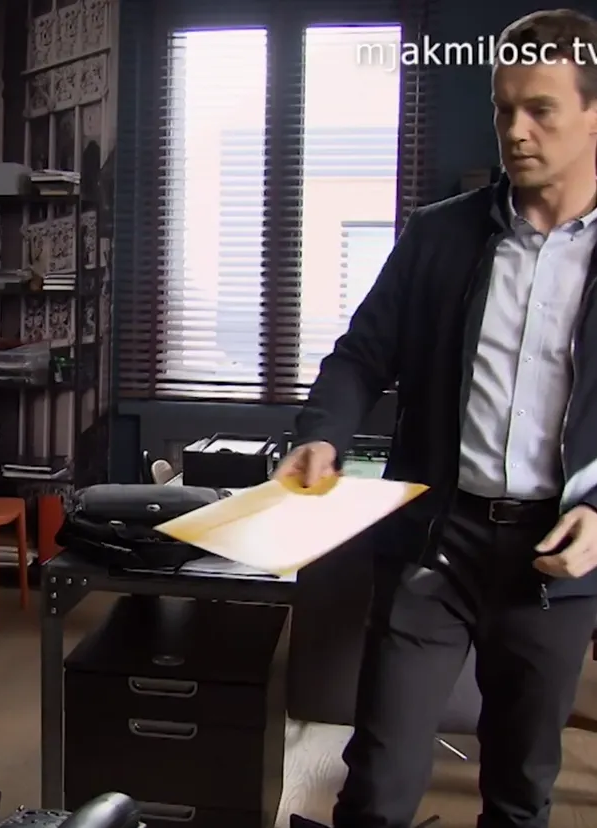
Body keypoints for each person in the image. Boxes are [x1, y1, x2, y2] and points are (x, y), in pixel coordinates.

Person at [275, 9, 597, 828]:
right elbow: (360, 357)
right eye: (503, 109)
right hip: (436, 544)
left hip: (553, 567)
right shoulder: (439, 236)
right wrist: (321, 435)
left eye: (541, 110)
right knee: (376, 787)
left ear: (594, 114)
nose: (515, 131)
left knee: (519, 795)